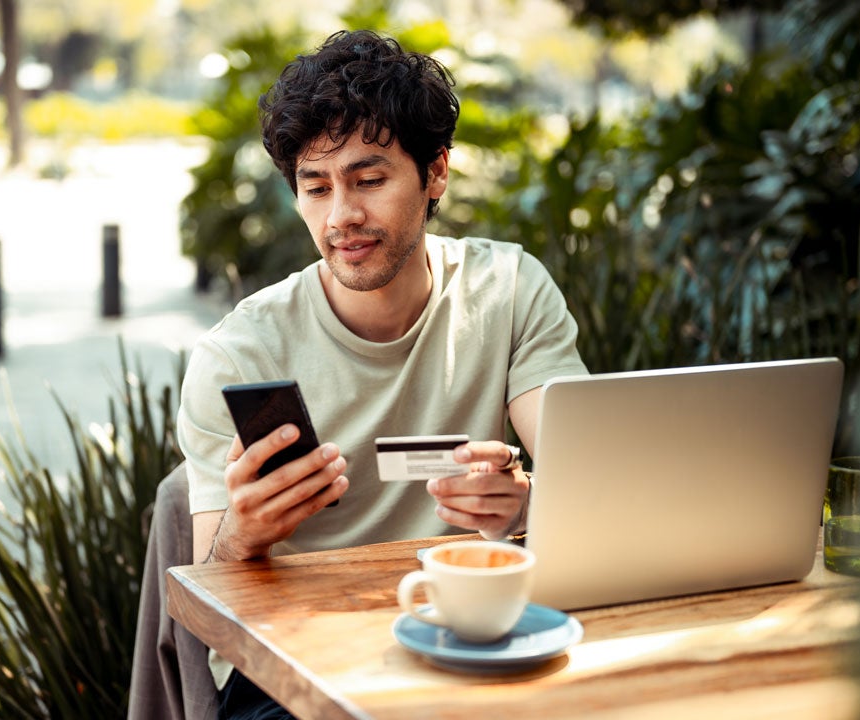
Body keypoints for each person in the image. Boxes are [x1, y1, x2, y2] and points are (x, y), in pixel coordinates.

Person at [175, 29, 588, 718]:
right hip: (296, 661)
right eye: (316, 187)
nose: (342, 217)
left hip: (470, 631)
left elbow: (586, 480)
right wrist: (241, 535)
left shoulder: (510, 290)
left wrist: (528, 503)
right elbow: (212, 591)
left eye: (369, 179)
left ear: (436, 174)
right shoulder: (239, 352)